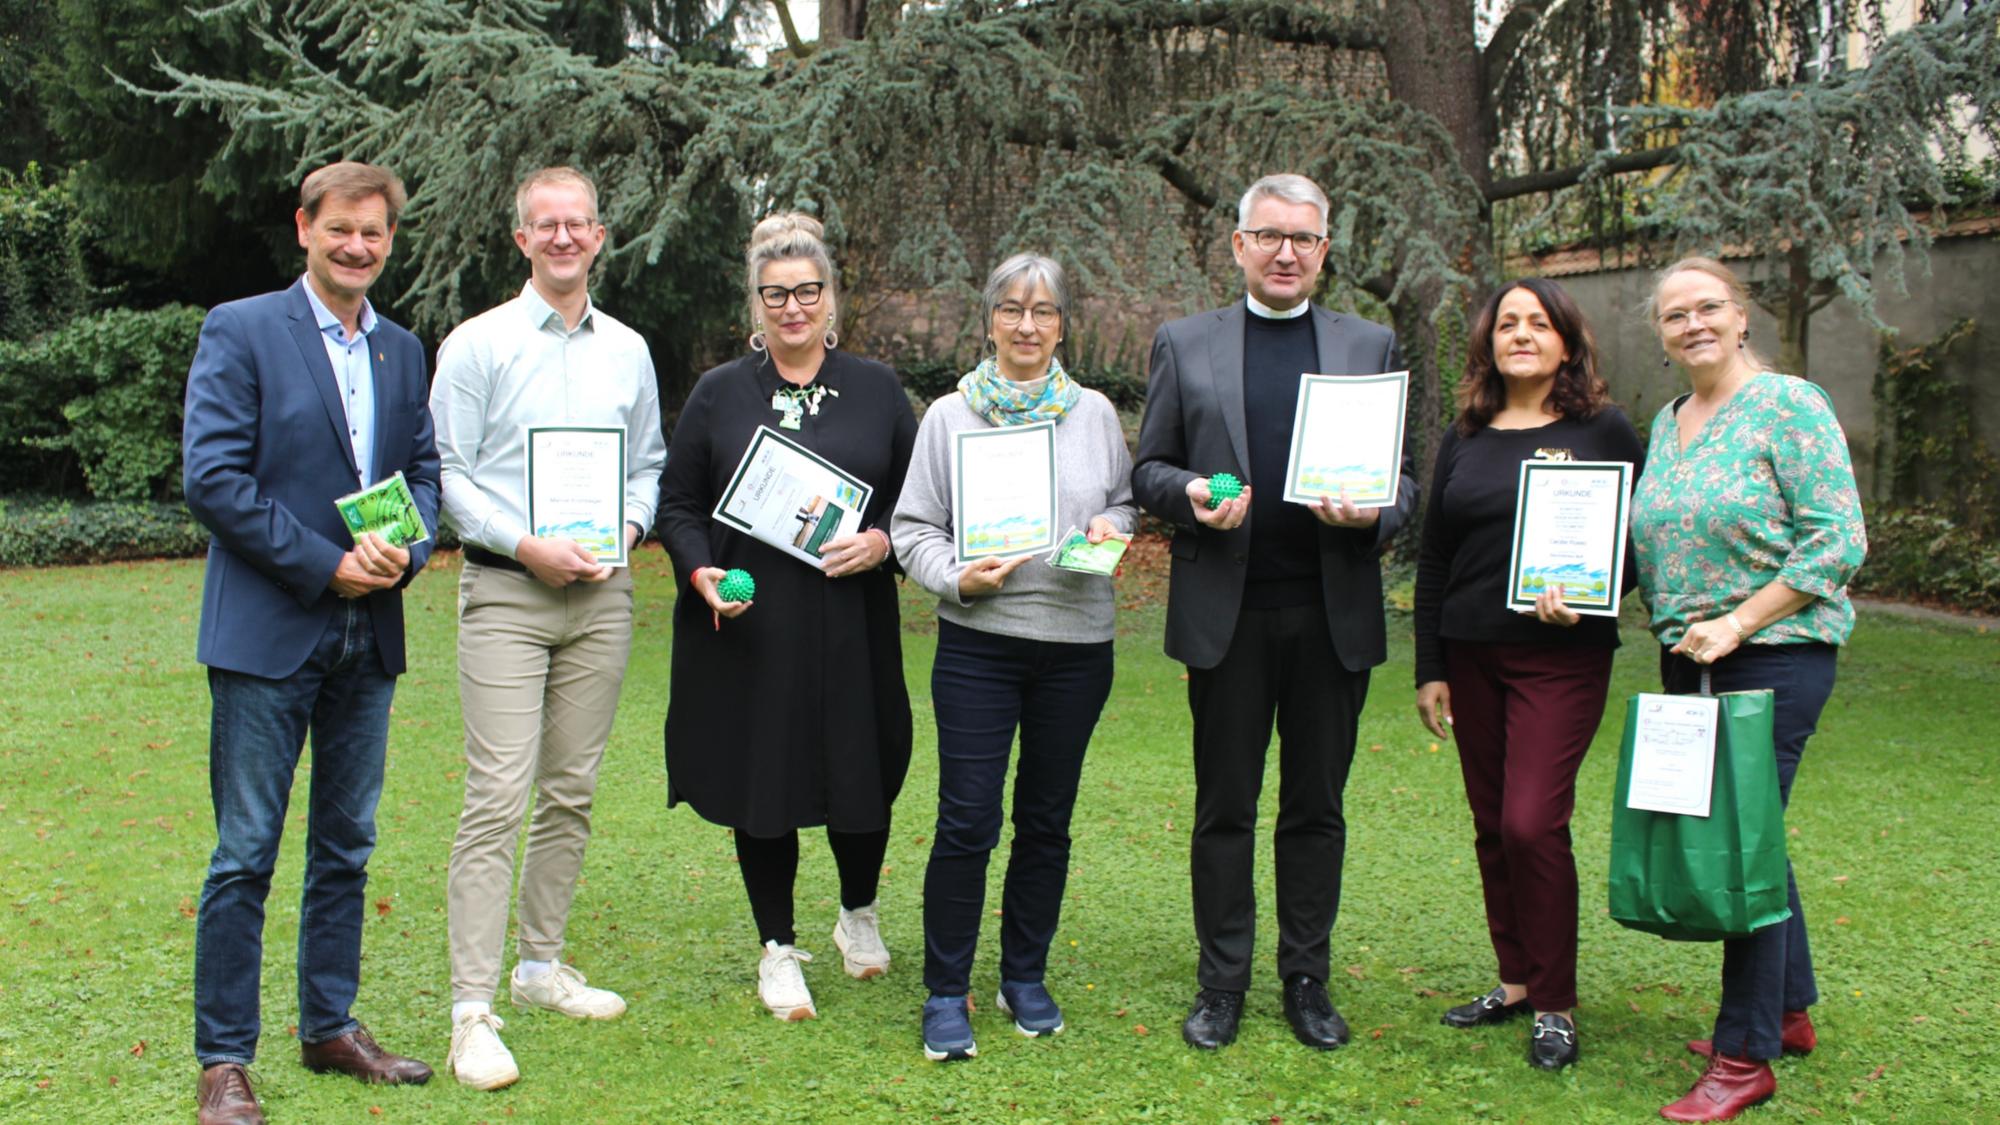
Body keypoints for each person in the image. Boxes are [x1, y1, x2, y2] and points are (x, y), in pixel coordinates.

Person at [1132, 173, 1417, 1052]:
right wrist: (1190, 496)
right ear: (1239, 245)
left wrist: (1376, 511)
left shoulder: (1369, 344)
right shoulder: (1186, 343)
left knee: (1316, 808)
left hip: (1333, 617)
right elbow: (1150, 471)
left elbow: (1402, 481)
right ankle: (1221, 982)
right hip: (1229, 617)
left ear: (1325, 251)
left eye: (1304, 238)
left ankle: (1306, 977)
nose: (1286, 252)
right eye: (1270, 235)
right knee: (1225, 805)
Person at [181, 161, 440, 1125]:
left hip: (367, 635)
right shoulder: (243, 329)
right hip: (267, 633)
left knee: (347, 844)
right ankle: (224, 1060)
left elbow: (421, 473)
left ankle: (329, 1023)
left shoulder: (403, 350)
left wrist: (404, 549)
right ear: (305, 227)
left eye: (374, 233)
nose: (358, 247)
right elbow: (214, 481)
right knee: (245, 849)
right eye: (341, 229)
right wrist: (326, 564)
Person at [429, 167, 667, 1090]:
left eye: (579, 224)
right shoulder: (478, 343)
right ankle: (471, 1009)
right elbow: (447, 476)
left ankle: (539, 967)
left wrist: (632, 531)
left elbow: (646, 463)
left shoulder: (630, 351)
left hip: (601, 597)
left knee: (570, 788)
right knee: (498, 792)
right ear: (521, 238)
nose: (564, 238)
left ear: (600, 236)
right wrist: (526, 543)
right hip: (508, 593)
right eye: (546, 225)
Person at [656, 212, 917, 1022]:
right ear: (757, 303)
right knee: (763, 775)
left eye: (808, 291)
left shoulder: (878, 390)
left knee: (861, 764)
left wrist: (880, 542)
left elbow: (919, 509)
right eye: (776, 295)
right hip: (755, 626)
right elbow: (679, 504)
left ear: (832, 297)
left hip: (852, 621)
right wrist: (699, 570)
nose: (793, 307)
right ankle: (777, 947)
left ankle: (858, 911)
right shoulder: (720, 392)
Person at [1632, 257, 1866, 1123]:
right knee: (1750, 834)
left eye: (1707, 308)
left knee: (1740, 847)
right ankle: (1791, 1011)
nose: (1691, 323)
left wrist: (1738, 622)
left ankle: (1744, 1054)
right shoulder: (1668, 421)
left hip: (1773, 654)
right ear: (1661, 336)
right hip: (1688, 659)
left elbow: (1837, 539)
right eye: (1674, 315)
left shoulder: (1790, 404)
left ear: (1740, 318)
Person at [891, 254, 1137, 1062]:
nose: (1026, 325)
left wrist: (1113, 526)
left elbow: (1122, 502)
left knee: (1046, 821)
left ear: (1063, 323)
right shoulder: (948, 416)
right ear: (988, 318)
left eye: (1043, 311)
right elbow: (912, 528)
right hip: (978, 647)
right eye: (1011, 309)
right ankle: (944, 988)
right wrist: (953, 576)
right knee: (967, 819)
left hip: (1076, 648)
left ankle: (1023, 975)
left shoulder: (1096, 414)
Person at [1411, 278, 1643, 1070]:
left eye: (1537, 323)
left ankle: (1556, 1002)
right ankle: (1515, 982)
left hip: (1561, 657)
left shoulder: (1602, 428)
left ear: (1566, 342)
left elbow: (1635, 545)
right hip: (1471, 653)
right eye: (1507, 322)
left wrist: (1588, 596)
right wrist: (1430, 666)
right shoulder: (1466, 435)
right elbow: (1436, 556)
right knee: (1489, 823)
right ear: (1489, 343)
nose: (1521, 334)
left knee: (1530, 822)